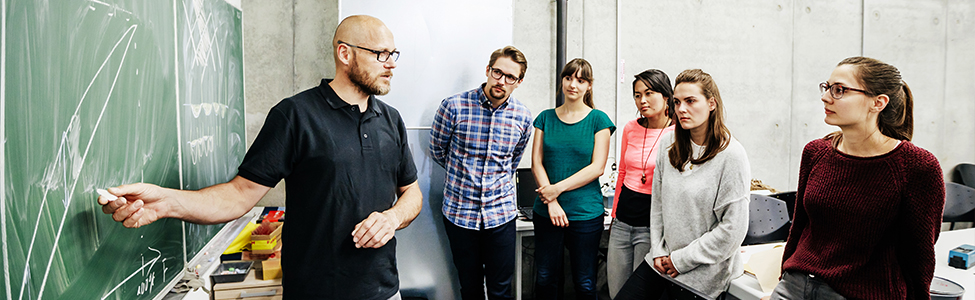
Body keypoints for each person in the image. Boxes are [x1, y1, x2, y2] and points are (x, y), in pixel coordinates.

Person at [97, 15, 422, 300]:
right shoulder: (295, 115)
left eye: (393, 54)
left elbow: (411, 193)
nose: (391, 62)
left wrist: (392, 218)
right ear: (344, 53)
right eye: (380, 53)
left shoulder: (391, 119)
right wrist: (166, 203)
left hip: (385, 290)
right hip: (316, 291)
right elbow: (238, 195)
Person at [771, 57, 945, 300]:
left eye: (839, 90)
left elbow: (919, 255)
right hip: (794, 287)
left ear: (878, 102)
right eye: (827, 87)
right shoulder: (816, 152)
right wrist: (782, 280)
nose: (825, 97)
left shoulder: (916, 167)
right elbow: (799, 227)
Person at [616, 69, 750, 300]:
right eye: (677, 102)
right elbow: (658, 204)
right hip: (661, 262)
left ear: (711, 104)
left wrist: (681, 260)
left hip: (702, 274)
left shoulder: (731, 155)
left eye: (690, 101)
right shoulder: (669, 143)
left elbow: (732, 230)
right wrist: (658, 250)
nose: (681, 109)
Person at [429, 46, 533, 300]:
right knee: (470, 287)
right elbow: (437, 150)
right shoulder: (453, 106)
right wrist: (463, 175)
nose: (502, 81)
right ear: (488, 70)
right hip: (460, 213)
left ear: (518, 82)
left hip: (501, 215)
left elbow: (511, 162)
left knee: (500, 289)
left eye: (510, 77)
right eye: (498, 72)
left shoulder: (523, 117)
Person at [531, 58, 615, 299]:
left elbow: (597, 167)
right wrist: (552, 202)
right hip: (546, 210)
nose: (573, 85)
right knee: (545, 278)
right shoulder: (545, 118)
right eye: (568, 78)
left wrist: (556, 190)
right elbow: (537, 162)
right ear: (562, 81)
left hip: (585, 213)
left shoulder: (599, 120)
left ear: (589, 86)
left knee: (585, 282)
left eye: (580, 80)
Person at [607, 69, 675, 299]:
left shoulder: (678, 134)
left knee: (638, 296)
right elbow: (623, 173)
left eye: (648, 93)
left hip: (651, 227)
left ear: (666, 96)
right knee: (616, 292)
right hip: (622, 223)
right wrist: (615, 214)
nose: (642, 100)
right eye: (637, 95)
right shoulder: (630, 128)